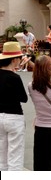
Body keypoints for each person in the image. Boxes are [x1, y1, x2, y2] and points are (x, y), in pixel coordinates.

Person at [0, 42, 28, 171]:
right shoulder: (15, 77)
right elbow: (24, 98)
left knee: (2, 155)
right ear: (15, 59)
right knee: (15, 155)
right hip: (14, 116)